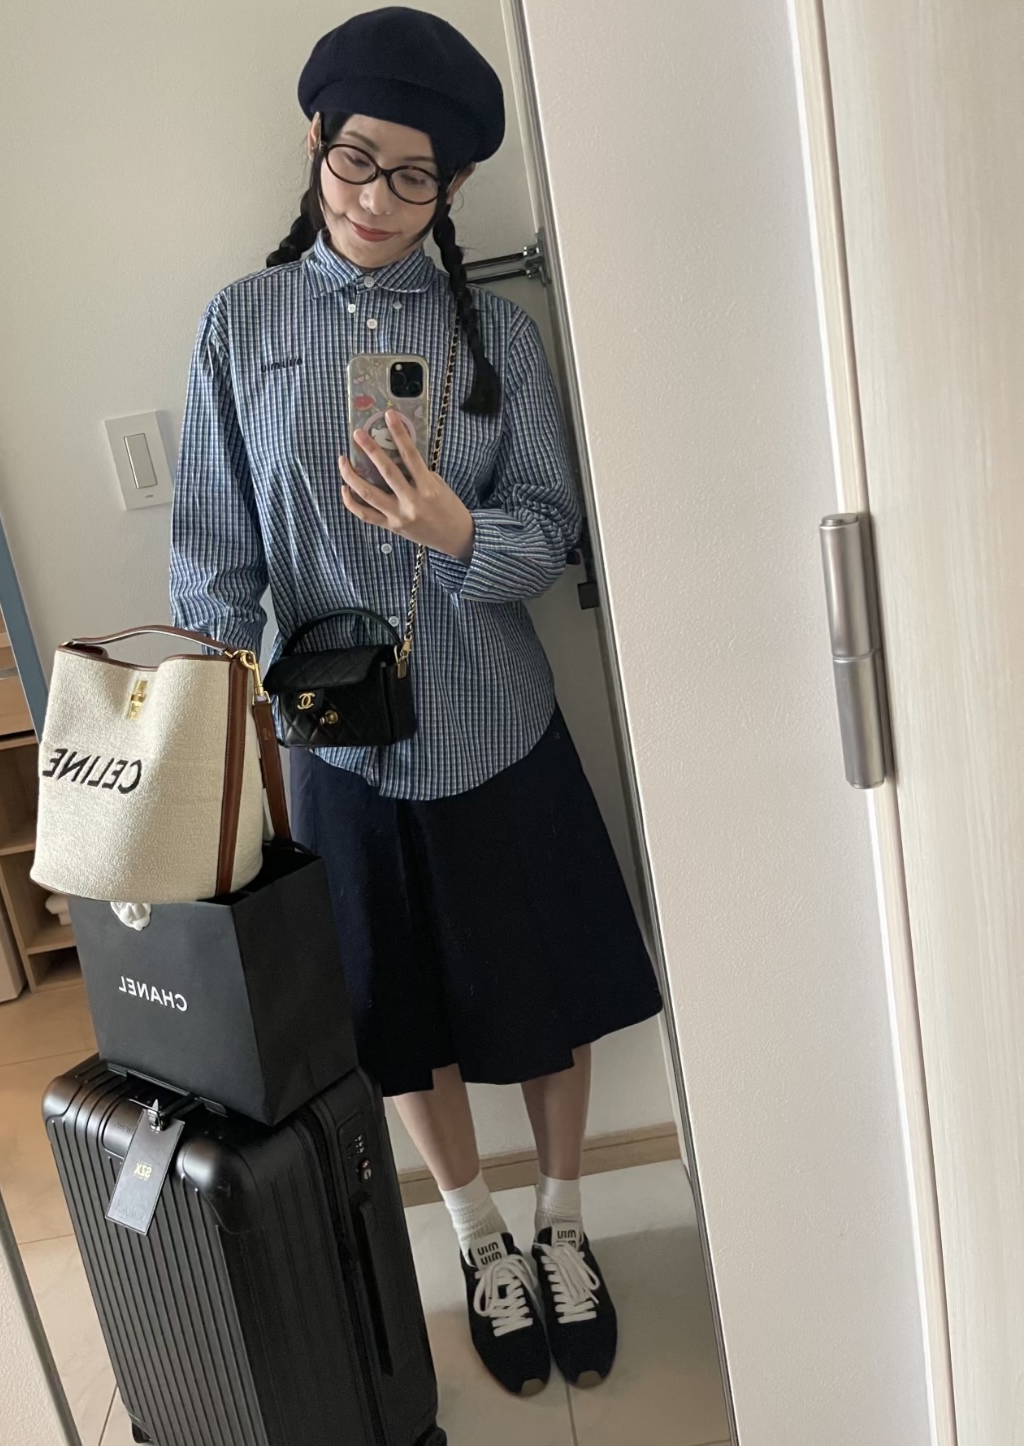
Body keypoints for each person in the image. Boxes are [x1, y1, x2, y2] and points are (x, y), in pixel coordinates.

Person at [171, 5, 663, 1399]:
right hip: (335, 751)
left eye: (414, 177)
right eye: (356, 161)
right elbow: (212, 552)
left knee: (542, 992)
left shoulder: (492, 333)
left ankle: (562, 1224)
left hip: (494, 726)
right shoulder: (241, 324)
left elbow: (552, 531)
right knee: (391, 1014)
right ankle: (478, 1237)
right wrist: (215, 735)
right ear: (314, 144)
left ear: (453, 187)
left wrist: (457, 534)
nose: (377, 200)